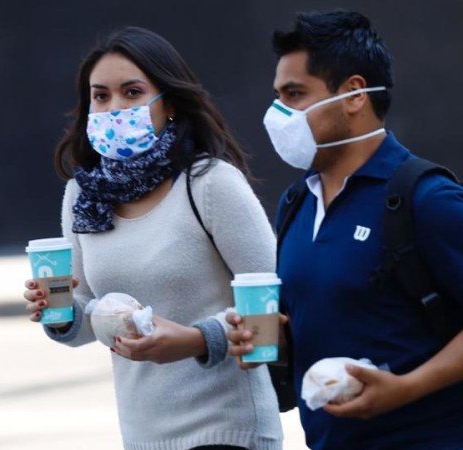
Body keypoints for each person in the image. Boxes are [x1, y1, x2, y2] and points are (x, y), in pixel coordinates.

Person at [227, 10, 463, 450]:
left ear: (354, 94)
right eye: (278, 95)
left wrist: (407, 387)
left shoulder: (426, 197)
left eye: (295, 94)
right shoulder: (297, 203)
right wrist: (270, 344)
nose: (279, 113)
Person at [23, 27, 282, 450]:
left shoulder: (210, 184)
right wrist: (62, 312)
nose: (114, 108)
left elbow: (273, 299)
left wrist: (198, 339)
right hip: (143, 435)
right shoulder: (83, 196)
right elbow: (90, 310)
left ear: (171, 104)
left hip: (228, 431)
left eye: (132, 92)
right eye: (101, 96)